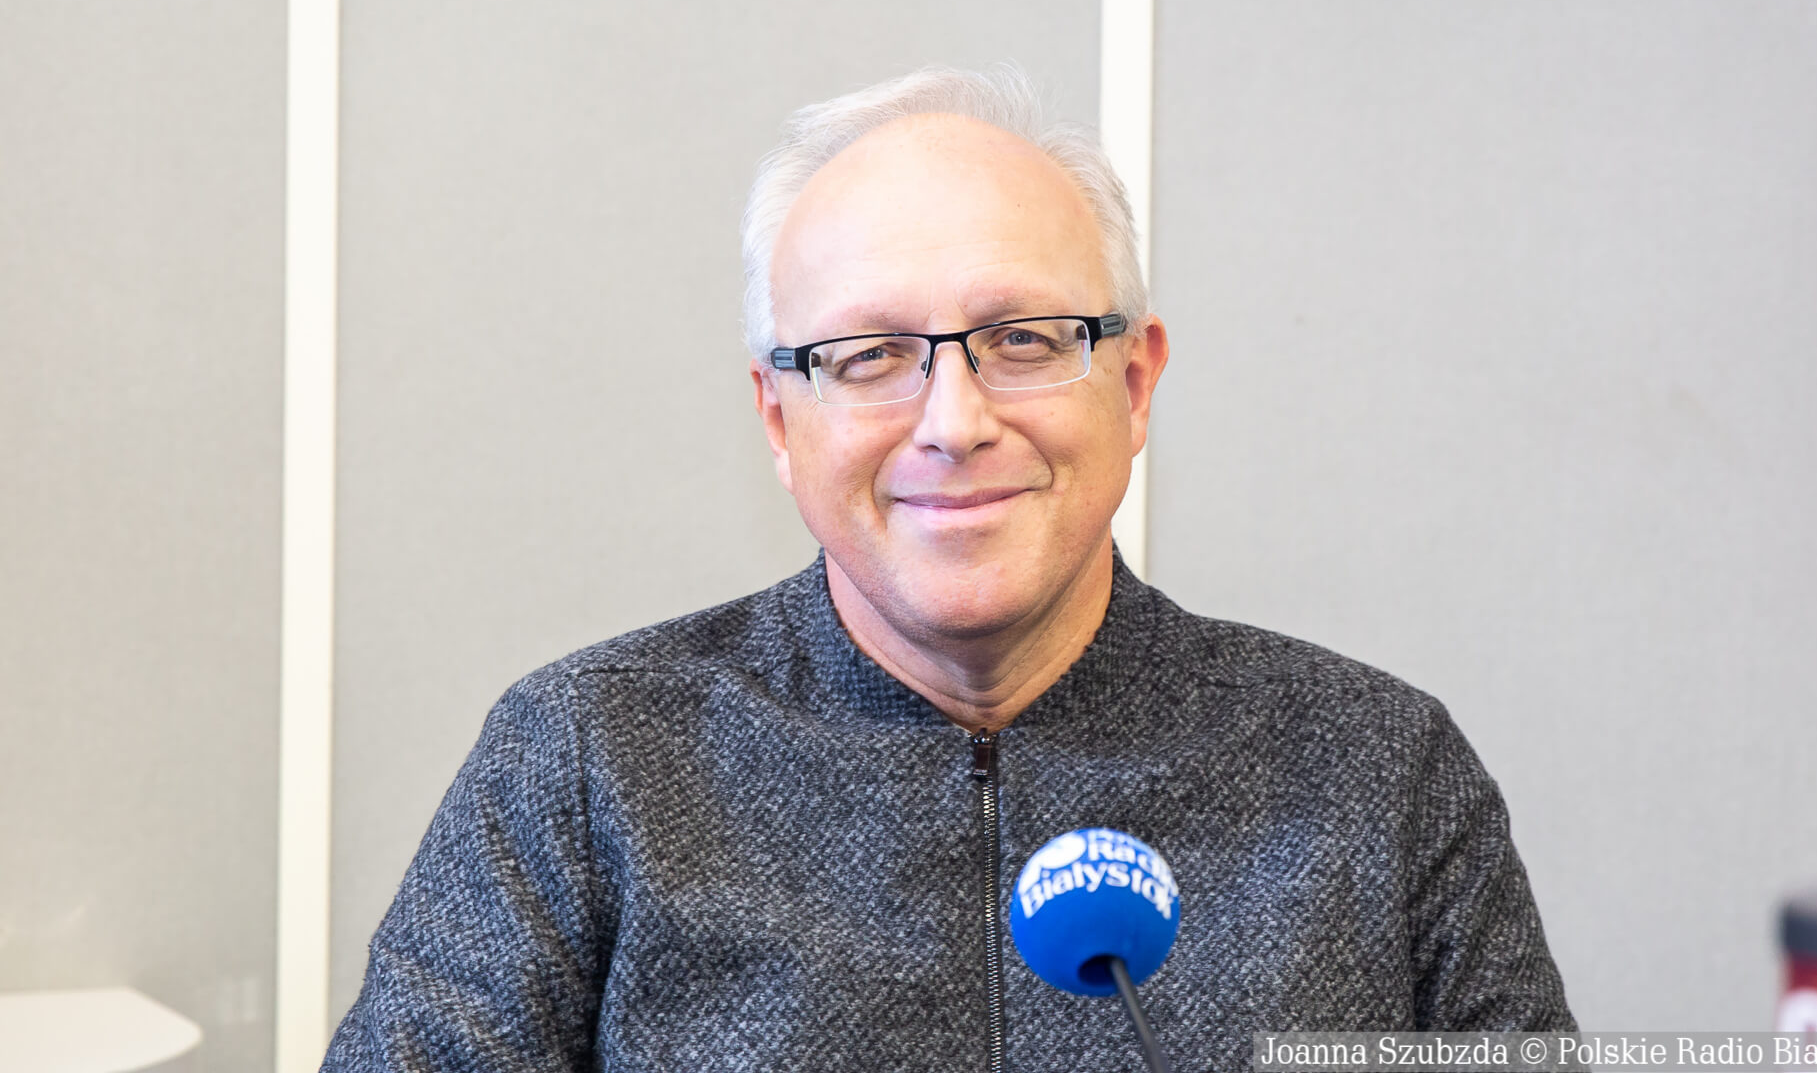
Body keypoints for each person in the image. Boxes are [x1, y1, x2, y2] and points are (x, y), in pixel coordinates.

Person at [322, 65, 1576, 1072]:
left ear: (1135, 383)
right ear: (778, 419)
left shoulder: (1377, 772)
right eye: (869, 355)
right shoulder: (589, 761)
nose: (953, 422)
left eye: (1023, 340)